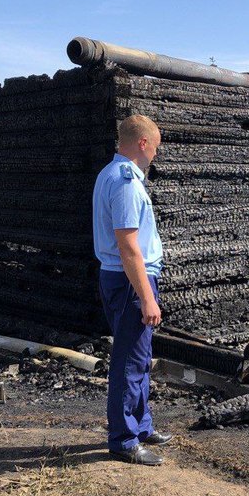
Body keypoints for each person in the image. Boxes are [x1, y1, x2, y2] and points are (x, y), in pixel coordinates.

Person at [91, 114, 172, 466]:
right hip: (130, 281)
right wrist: (147, 297)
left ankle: (141, 426)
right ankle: (124, 439)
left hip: (126, 279)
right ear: (142, 143)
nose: (156, 152)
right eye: (155, 145)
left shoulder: (112, 174)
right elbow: (128, 246)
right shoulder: (125, 181)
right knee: (128, 362)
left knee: (139, 358)